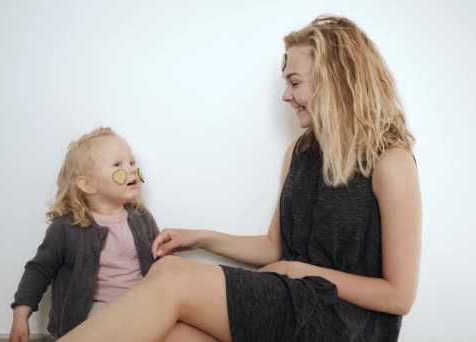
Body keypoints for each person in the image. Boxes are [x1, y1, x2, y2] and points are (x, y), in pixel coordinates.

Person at [59, 15, 422, 342]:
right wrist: (200, 238)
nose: (286, 95)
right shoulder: (300, 154)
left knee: (170, 276)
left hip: (345, 324)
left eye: (295, 83)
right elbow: (273, 248)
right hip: (291, 301)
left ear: (335, 81)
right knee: (174, 335)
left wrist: (298, 270)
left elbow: (399, 296)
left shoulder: (390, 162)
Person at [9, 127, 163, 341]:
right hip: (92, 312)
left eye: (132, 162)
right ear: (87, 184)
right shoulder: (67, 227)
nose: (131, 169)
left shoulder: (141, 217)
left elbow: (159, 262)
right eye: (118, 164)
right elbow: (39, 270)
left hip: (137, 303)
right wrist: (20, 314)